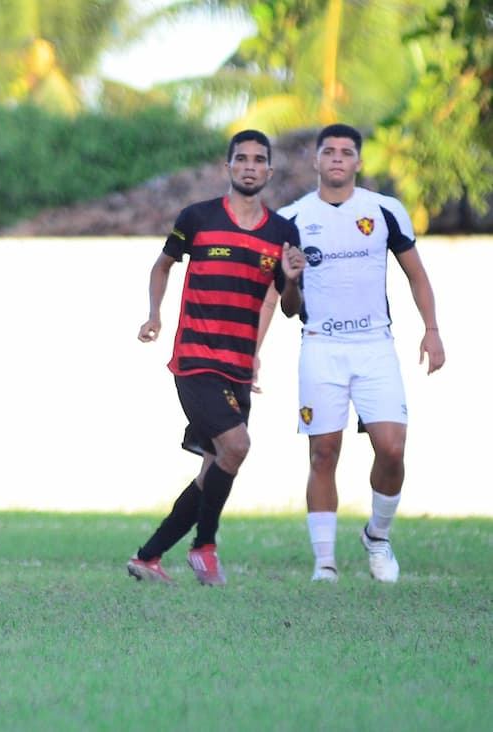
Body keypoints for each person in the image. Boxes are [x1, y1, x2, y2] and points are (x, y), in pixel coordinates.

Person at [127, 129, 306, 586]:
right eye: (241, 158)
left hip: (239, 366)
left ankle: (148, 557)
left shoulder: (283, 231)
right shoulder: (198, 217)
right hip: (195, 360)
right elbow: (162, 264)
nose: (250, 165)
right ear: (227, 167)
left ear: (269, 170)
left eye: (259, 159)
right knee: (238, 446)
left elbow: (288, 307)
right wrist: (154, 315)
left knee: (213, 468)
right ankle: (205, 547)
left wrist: (290, 280)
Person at [277, 123, 445, 584]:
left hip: (375, 347)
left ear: (358, 162)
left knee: (392, 448)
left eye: (345, 152)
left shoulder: (385, 211)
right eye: (328, 152)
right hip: (321, 347)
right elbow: (290, 308)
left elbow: (417, 275)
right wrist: (290, 280)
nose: (336, 159)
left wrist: (431, 330)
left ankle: (377, 537)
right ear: (315, 161)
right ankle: (325, 564)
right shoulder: (290, 219)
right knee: (323, 452)